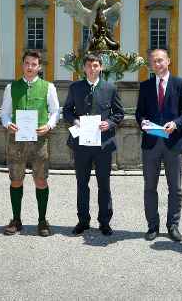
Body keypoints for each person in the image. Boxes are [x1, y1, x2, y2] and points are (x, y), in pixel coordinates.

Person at [135, 48, 182, 242]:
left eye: (160, 60)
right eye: (154, 62)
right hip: (151, 143)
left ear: (168, 61)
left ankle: (173, 225)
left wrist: (176, 123)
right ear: (151, 65)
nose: (157, 64)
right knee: (149, 187)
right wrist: (143, 122)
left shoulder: (180, 84)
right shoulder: (145, 86)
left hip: (174, 142)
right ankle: (152, 226)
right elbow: (139, 113)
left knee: (175, 188)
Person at [63, 53, 124, 236]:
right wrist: (74, 121)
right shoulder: (75, 88)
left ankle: (104, 222)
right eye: (89, 66)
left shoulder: (110, 88)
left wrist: (110, 123)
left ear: (101, 68)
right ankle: (83, 221)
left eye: (95, 65)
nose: (92, 69)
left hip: (103, 145)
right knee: (82, 184)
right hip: (81, 145)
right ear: (84, 68)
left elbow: (119, 113)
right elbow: (67, 111)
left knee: (104, 184)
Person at [0, 51, 60, 237]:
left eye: (34, 64)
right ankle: (16, 219)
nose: (30, 67)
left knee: (41, 180)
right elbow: (5, 112)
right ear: (22, 64)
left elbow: (56, 111)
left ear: (39, 67)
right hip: (16, 140)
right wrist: (7, 123)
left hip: (39, 139)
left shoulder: (48, 87)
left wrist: (49, 125)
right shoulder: (11, 87)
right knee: (16, 180)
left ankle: (42, 220)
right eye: (27, 63)